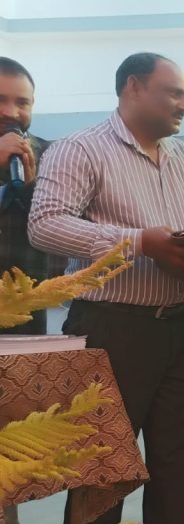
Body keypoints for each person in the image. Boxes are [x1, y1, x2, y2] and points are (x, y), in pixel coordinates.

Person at [28, 52, 184, 524]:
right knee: (103, 464)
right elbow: (45, 225)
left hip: (180, 326)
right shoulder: (80, 148)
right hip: (111, 328)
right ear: (133, 86)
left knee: (176, 460)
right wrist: (138, 242)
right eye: (174, 92)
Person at [0, 57, 62, 336]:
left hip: (26, 315)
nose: (11, 112)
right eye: (1, 100)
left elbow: (60, 228)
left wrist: (29, 189)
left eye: (22, 102)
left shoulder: (52, 156)